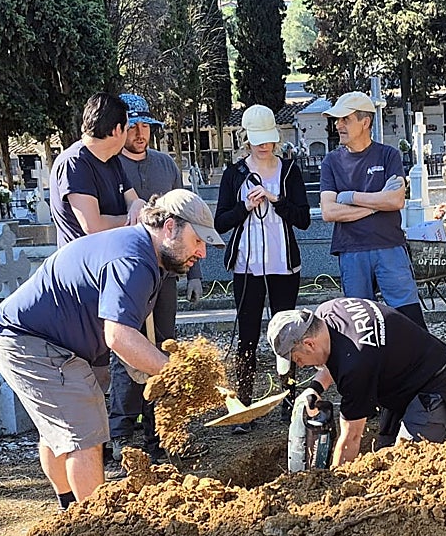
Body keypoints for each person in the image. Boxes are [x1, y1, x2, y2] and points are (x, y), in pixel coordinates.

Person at [0, 191, 224, 508]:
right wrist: (176, 374)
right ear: (169, 227)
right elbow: (119, 336)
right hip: (32, 341)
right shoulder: (134, 260)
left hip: (41, 339)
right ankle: (97, 525)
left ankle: (71, 510)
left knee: (60, 431)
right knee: (85, 435)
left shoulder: (143, 252)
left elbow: (119, 335)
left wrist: (145, 370)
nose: (203, 252)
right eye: (198, 241)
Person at [267, 298, 446, 467]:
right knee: (384, 453)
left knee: (405, 464)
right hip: (404, 376)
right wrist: (314, 388)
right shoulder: (328, 312)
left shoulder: (356, 367)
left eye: (296, 359)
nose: (301, 366)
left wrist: (337, 485)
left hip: (436, 384)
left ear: (309, 343)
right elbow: (334, 355)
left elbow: (352, 437)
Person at [107, 93, 198, 461]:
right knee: (127, 349)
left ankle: (159, 433)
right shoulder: (112, 167)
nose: (140, 133)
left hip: (167, 276)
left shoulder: (165, 165)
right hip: (129, 272)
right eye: (133, 127)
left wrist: (194, 274)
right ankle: (121, 432)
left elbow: (189, 221)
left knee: (163, 345)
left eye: (146, 126)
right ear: (121, 130)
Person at [214, 104, 312, 433]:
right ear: (247, 140)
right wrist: (246, 205)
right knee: (247, 337)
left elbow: (304, 218)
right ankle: (243, 408)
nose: (264, 146)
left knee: (286, 335)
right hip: (246, 268)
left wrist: (275, 199)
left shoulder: (288, 171)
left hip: (284, 268)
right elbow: (221, 222)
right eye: (258, 140)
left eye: (268, 139)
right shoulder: (234, 174)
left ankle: (288, 400)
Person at [319, 92, 426, 330]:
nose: (338, 125)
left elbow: (396, 200)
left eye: (345, 119)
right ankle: (372, 368)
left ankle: (419, 366)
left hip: (390, 246)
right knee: (362, 325)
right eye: (337, 120)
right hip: (351, 250)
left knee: (409, 319)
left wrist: (351, 197)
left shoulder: (389, 155)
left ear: (365, 122)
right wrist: (376, 204)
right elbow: (329, 212)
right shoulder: (331, 162)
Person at [49, 92, 146, 247]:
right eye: (127, 128)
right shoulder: (74, 164)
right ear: (116, 130)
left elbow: (133, 200)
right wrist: (135, 218)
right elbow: (93, 226)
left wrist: (138, 205)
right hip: (85, 264)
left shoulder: (112, 160)